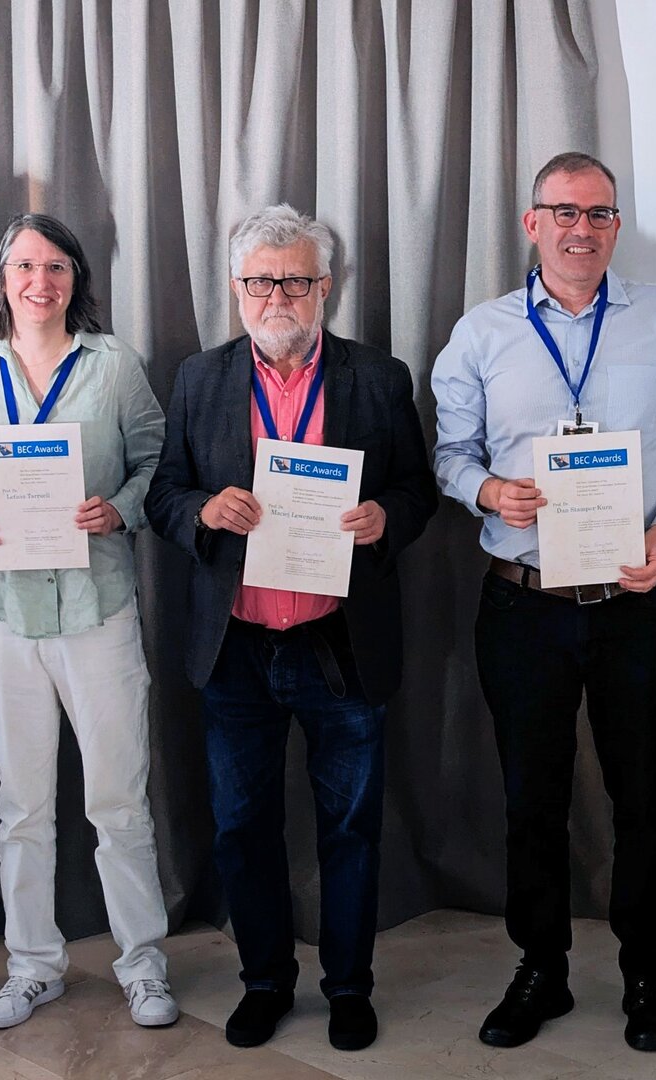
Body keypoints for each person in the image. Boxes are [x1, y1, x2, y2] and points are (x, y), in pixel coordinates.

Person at [430, 151, 656, 1053]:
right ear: (533, 223)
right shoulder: (481, 333)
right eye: (564, 212)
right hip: (526, 603)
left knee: (644, 793)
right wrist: (489, 491)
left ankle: (646, 970)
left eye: (598, 214)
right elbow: (449, 454)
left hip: (636, 600)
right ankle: (541, 969)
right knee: (533, 796)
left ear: (616, 226)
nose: (580, 229)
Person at [146, 204, 437, 1052]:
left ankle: (349, 986)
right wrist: (204, 511)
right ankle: (266, 981)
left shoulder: (378, 378)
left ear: (326, 287)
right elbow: (164, 494)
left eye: (297, 281)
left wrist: (386, 518)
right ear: (236, 288)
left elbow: (418, 491)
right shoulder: (199, 378)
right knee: (242, 829)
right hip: (235, 646)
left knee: (350, 829)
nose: (279, 297)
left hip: (338, 643)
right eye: (262, 281)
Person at [0, 213, 176, 1031]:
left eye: (57, 266)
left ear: (77, 279)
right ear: (2, 279)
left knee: (119, 803)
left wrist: (122, 507)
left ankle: (143, 965)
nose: (41, 281)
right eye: (25, 267)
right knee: (23, 806)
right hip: (3, 616)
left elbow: (158, 463)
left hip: (98, 611)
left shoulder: (113, 365)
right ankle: (32, 967)